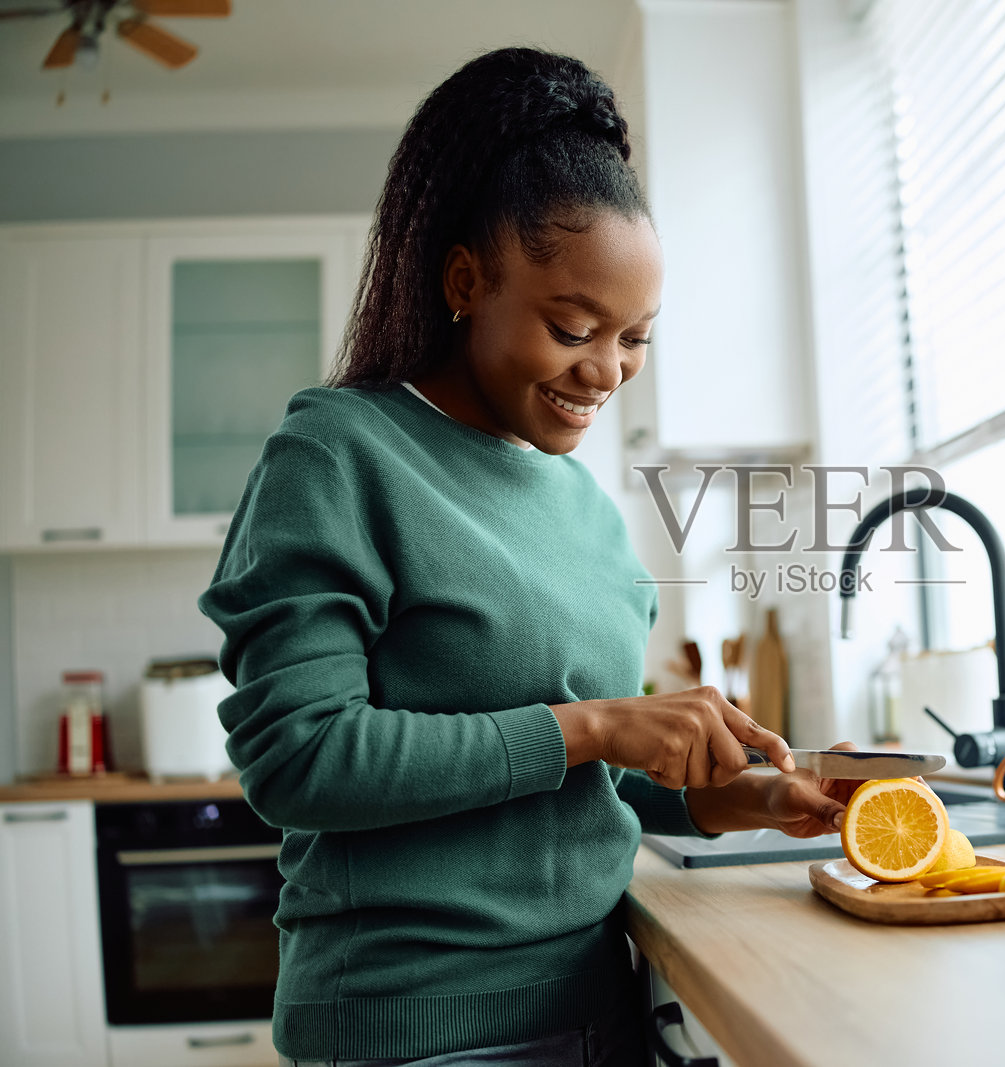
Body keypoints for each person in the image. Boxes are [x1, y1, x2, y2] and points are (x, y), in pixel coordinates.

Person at [200, 46, 861, 1067]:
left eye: (636, 337)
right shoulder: (338, 453)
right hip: (414, 1028)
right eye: (572, 325)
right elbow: (300, 757)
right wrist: (600, 721)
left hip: (602, 1005)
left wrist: (743, 799)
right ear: (467, 279)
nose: (606, 370)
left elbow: (587, 778)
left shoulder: (587, 509)